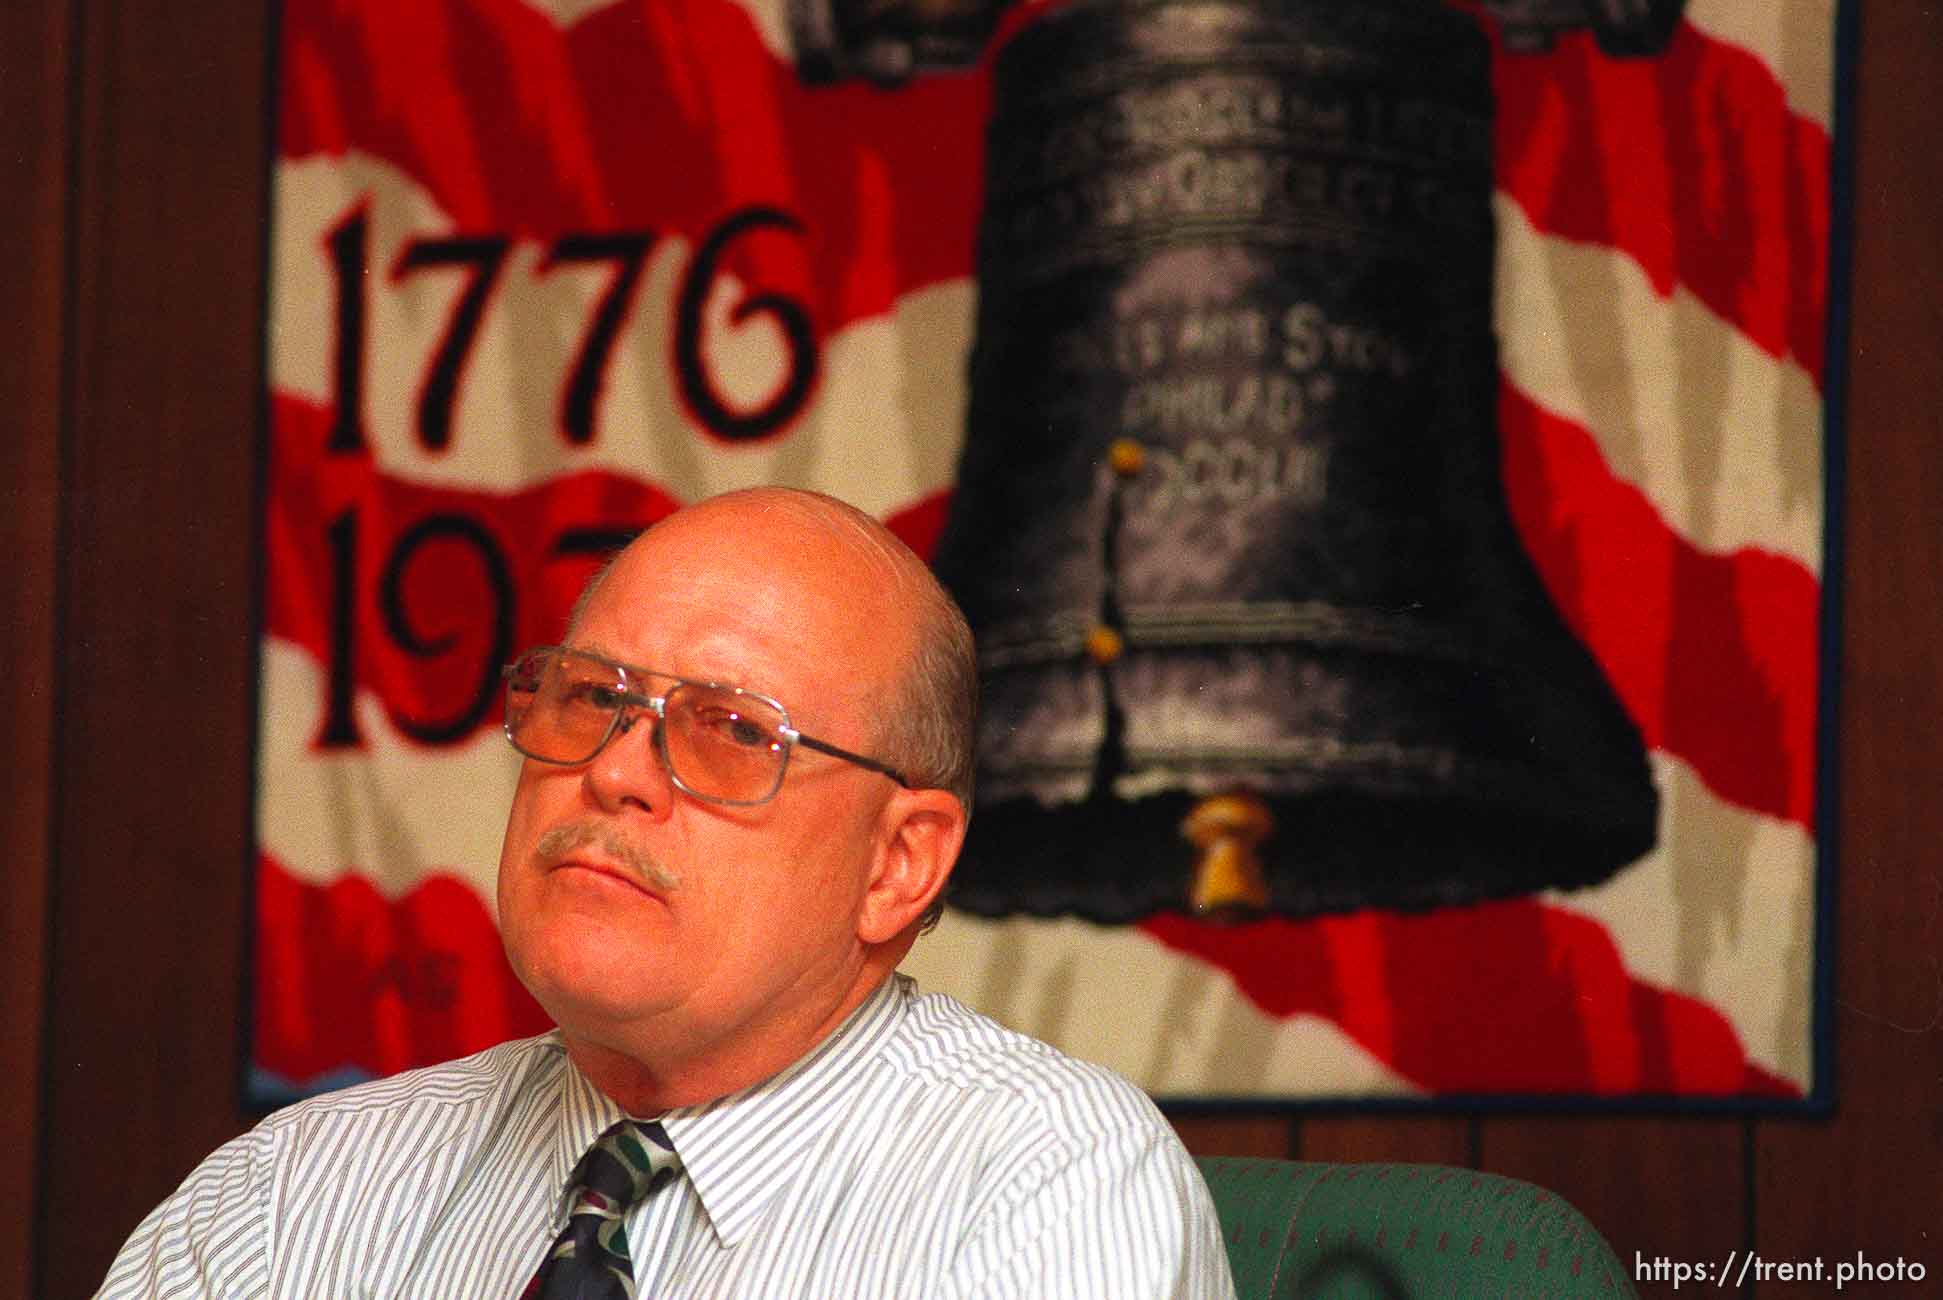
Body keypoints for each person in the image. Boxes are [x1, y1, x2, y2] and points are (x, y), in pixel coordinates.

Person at [99, 487, 1236, 1299]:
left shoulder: (1046, 1183)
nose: (613, 769)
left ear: (897, 863)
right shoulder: (289, 1198)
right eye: (589, 697)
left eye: (735, 730)